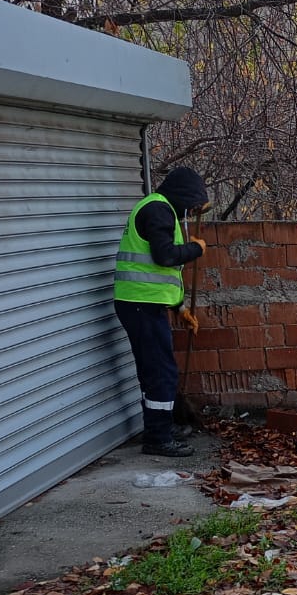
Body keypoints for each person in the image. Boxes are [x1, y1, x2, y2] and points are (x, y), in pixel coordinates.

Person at [113, 167, 209, 457]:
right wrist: (195, 249)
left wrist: (179, 308)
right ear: (183, 196)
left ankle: (161, 427)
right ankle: (158, 438)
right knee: (161, 373)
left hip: (143, 304)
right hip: (141, 306)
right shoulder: (158, 210)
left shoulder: (160, 208)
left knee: (154, 372)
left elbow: (156, 274)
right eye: (192, 205)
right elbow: (164, 256)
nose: (191, 213)